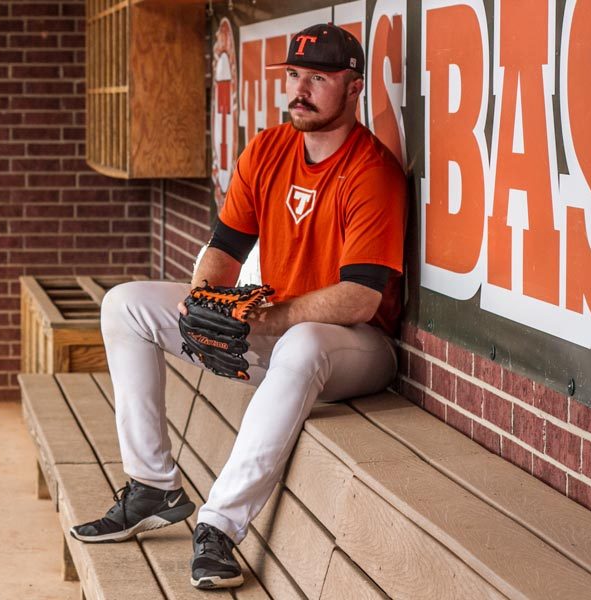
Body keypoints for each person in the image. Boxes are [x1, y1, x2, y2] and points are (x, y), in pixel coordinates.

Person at [69, 23, 407, 590]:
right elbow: (224, 250)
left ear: (354, 88)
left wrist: (273, 317)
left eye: (318, 78)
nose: (300, 89)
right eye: (295, 75)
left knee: (302, 341)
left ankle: (220, 527)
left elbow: (360, 297)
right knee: (125, 304)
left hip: (357, 347)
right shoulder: (269, 149)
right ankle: (152, 485)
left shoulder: (372, 171)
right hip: (277, 332)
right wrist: (205, 299)